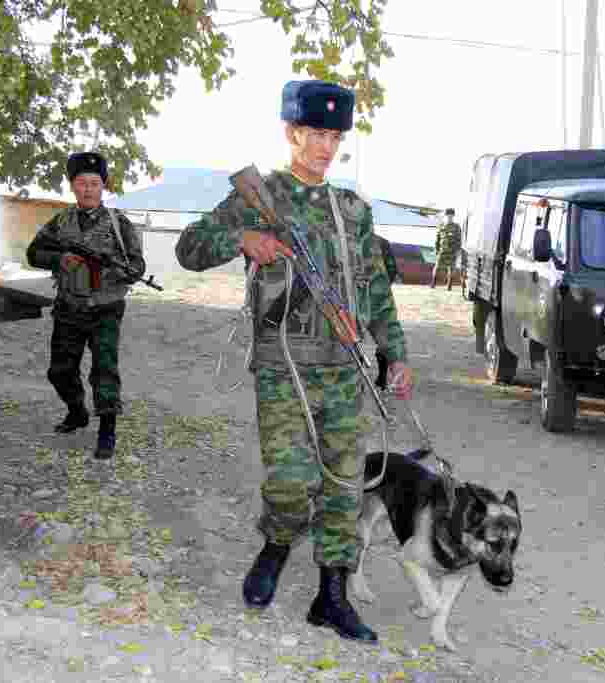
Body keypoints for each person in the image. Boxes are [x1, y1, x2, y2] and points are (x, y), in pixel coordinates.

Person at [174, 79, 414, 644]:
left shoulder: (352, 209)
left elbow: (375, 286)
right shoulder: (264, 196)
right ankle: (277, 545)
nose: (326, 148)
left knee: (344, 487)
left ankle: (330, 597)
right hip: (284, 367)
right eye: (315, 135)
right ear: (291, 132)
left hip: (344, 368)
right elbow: (189, 248)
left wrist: (395, 351)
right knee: (289, 482)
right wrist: (244, 238)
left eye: (334, 137)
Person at [25, 151, 146, 460]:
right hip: (68, 307)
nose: (89, 189)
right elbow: (33, 253)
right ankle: (77, 411)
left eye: (95, 183)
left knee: (105, 370)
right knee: (60, 371)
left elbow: (138, 265)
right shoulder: (61, 222)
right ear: (73, 187)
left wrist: (117, 270)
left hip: (106, 308)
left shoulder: (119, 224)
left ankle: (107, 431)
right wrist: (59, 259)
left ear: (103, 186)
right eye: (82, 183)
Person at [373, 233, 399, 390]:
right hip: (378, 297)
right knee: (383, 338)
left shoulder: (342, 238)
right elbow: (392, 269)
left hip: (349, 297)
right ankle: (382, 377)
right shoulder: (382, 242)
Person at [430, 207, 461, 290]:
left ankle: (449, 286)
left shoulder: (457, 226)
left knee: (451, 269)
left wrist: (458, 250)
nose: (449, 217)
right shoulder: (441, 226)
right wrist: (436, 249)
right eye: (448, 215)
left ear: (453, 216)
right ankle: (433, 283)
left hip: (452, 251)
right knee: (437, 267)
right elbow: (437, 238)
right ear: (446, 216)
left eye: (451, 215)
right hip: (442, 250)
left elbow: (459, 239)